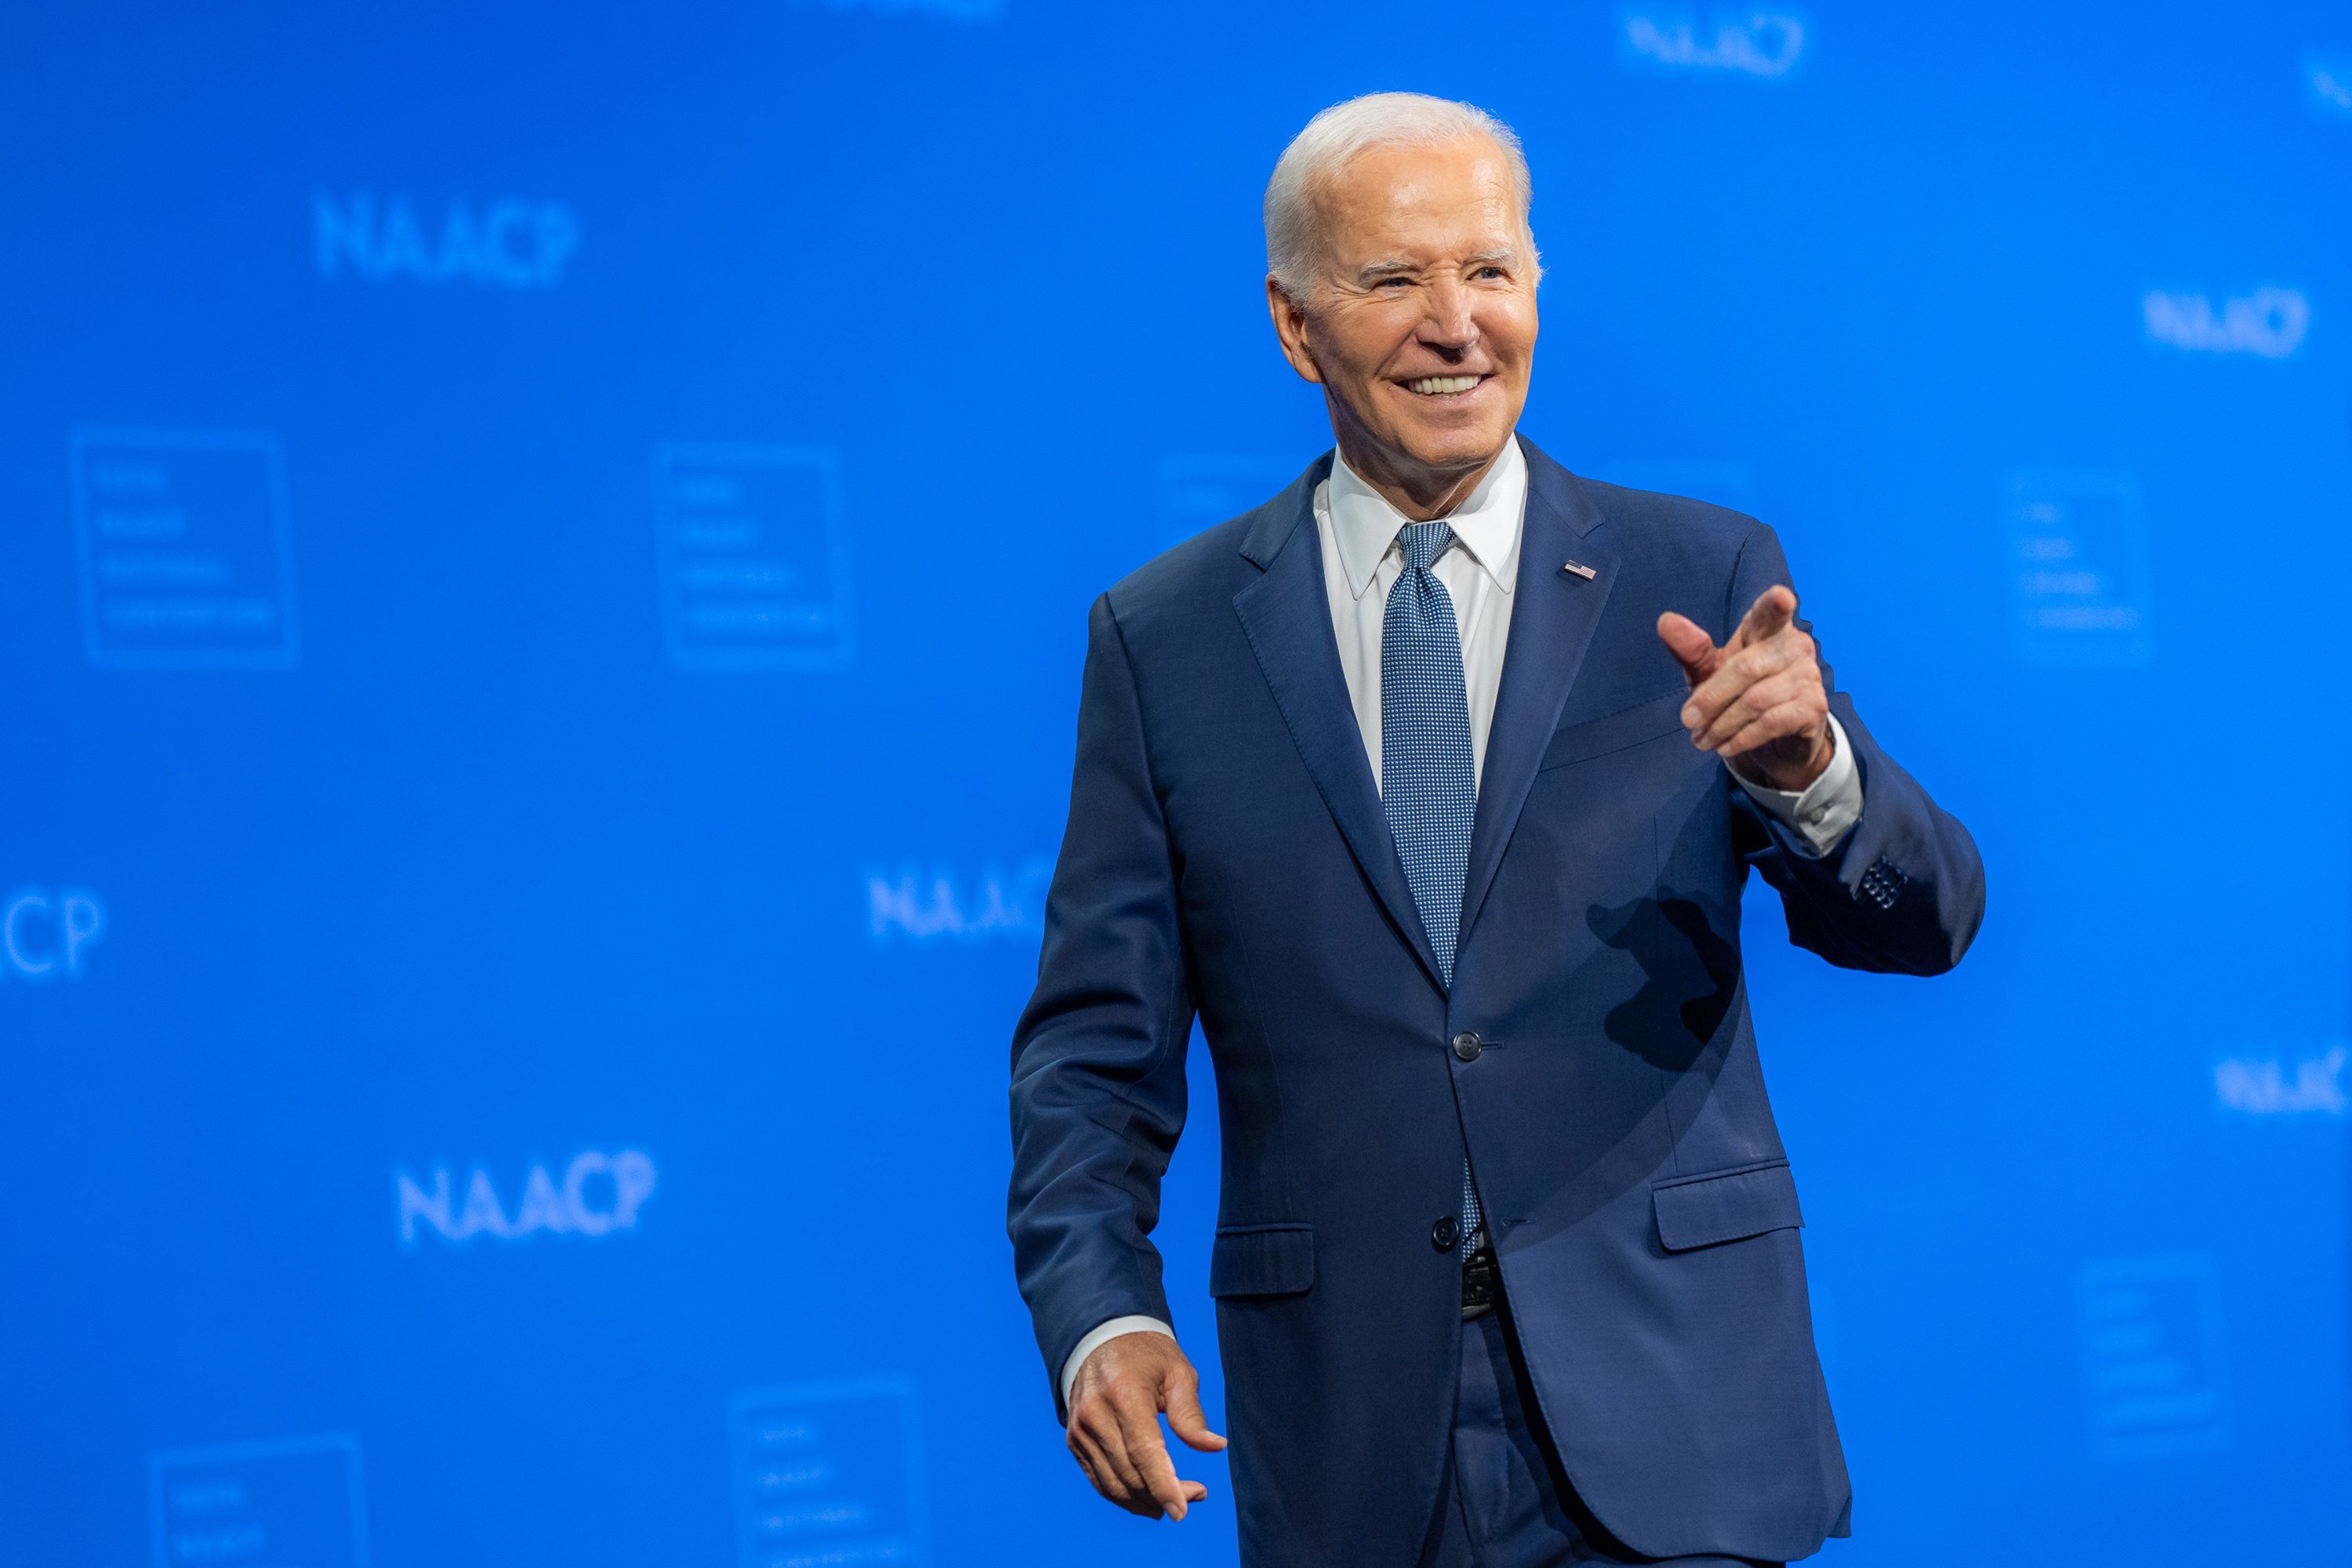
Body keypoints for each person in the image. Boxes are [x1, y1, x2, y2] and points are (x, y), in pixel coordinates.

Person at [1006, 92, 1983, 1567]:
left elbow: (1925, 926)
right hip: (1349, 1438)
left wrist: (1812, 773)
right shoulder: (1166, 636)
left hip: (1674, 1414)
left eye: (1490, 273)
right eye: (1396, 280)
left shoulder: (1702, 567)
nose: (1456, 325)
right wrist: (1104, 1314)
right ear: (1294, 322)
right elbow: (1092, 1052)